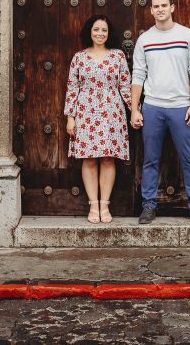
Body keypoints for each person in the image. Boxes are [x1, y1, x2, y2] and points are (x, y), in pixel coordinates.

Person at [130, 0, 190, 226]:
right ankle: (149, 206)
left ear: (172, 7)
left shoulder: (186, 35)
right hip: (153, 106)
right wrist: (134, 108)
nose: (160, 9)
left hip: (181, 107)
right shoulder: (145, 40)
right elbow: (138, 76)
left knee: (188, 159)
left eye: (164, 5)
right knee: (150, 159)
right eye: (156, 6)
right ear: (150, 10)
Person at [64, 14, 132, 224]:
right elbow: (72, 87)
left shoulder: (118, 56)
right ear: (89, 32)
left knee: (109, 158)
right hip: (86, 111)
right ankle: (93, 205)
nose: (100, 33)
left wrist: (135, 110)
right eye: (96, 29)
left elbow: (125, 86)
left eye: (104, 30)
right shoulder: (79, 57)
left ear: (109, 33)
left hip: (112, 112)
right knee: (90, 159)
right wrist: (70, 117)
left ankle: (105, 205)